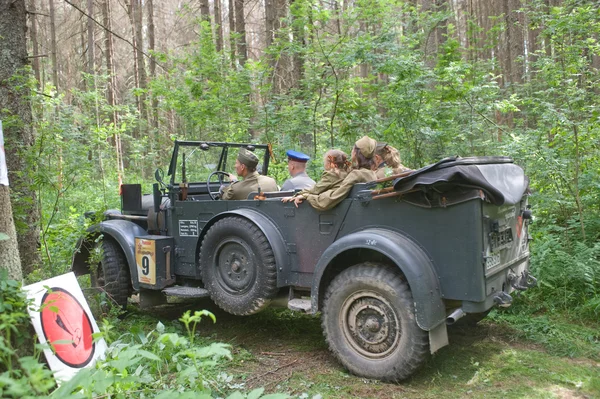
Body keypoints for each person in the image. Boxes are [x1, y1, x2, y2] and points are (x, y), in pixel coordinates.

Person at [292, 136, 378, 211]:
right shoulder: (371, 174)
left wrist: (308, 196)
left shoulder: (356, 174)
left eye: (353, 149)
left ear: (356, 153)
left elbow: (333, 197)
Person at [281, 149, 350, 207]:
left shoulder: (331, 175)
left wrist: (296, 196)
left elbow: (316, 190)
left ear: (329, 164)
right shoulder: (346, 174)